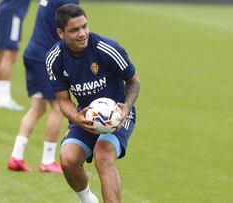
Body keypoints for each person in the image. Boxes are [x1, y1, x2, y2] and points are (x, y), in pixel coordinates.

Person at [46, 4, 140, 203]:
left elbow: (134, 82)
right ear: (60, 33)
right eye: (74, 30)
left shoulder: (107, 49)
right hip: (85, 118)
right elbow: (63, 100)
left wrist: (126, 107)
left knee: (103, 156)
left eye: (84, 27)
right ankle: (88, 200)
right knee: (68, 160)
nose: (82, 34)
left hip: (119, 115)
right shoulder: (55, 59)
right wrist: (76, 118)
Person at [7, 0, 80, 173]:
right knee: (58, 107)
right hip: (45, 57)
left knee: (37, 108)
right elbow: (73, 28)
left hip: (33, 53)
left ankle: (16, 157)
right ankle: (47, 160)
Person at [0, 0, 30, 111]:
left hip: (3, 11)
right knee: (9, 55)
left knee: (0, 55)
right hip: (13, 13)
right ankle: (4, 98)